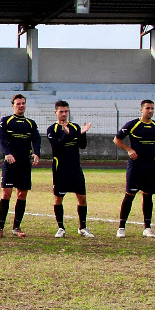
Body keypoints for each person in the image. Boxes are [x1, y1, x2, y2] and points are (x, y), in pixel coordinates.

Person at [0, 93, 42, 239]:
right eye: (18, 103)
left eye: (23, 103)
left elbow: (36, 139)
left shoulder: (30, 123)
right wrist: (6, 153)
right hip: (10, 163)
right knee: (6, 193)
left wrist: (36, 153)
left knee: (22, 194)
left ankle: (16, 227)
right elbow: (0, 139)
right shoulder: (6, 121)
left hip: (24, 163)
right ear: (13, 105)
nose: (21, 106)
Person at [115, 99, 155, 239]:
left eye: (152, 108)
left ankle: (147, 228)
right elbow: (117, 139)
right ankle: (121, 227)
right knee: (130, 195)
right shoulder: (132, 124)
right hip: (136, 165)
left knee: (148, 196)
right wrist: (129, 149)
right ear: (141, 110)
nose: (150, 111)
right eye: (147, 108)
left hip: (151, 165)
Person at [47, 100, 93, 238]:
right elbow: (56, 147)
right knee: (58, 198)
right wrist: (65, 135)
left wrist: (83, 134)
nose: (64, 114)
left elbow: (82, 145)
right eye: (61, 111)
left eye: (66, 111)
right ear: (56, 112)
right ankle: (61, 228)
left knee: (82, 198)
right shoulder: (52, 129)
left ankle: (82, 227)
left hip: (75, 169)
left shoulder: (75, 127)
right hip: (60, 169)